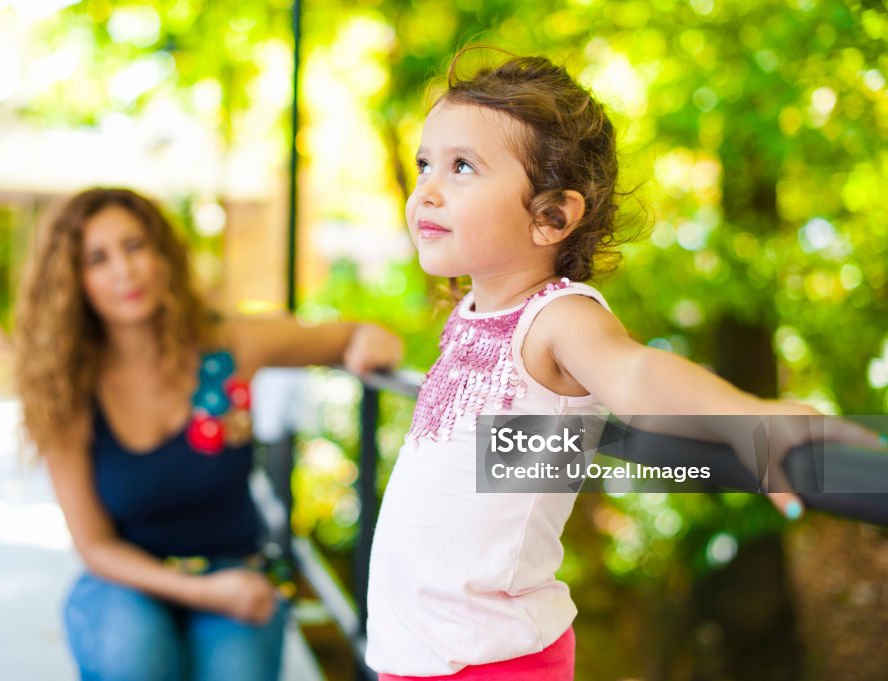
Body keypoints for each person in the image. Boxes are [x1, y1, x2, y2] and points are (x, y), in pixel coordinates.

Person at [364, 51, 885, 681]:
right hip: (421, 654)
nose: (428, 187)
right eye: (426, 164)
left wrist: (753, 419)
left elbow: (636, 375)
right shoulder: (474, 307)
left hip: (489, 663)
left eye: (463, 167)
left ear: (551, 216)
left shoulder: (557, 318)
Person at [13, 187, 402, 681]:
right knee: (134, 659)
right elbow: (94, 545)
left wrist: (369, 341)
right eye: (97, 258)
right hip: (126, 581)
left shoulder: (230, 343)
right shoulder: (64, 389)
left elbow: (358, 334)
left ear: (162, 254)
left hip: (235, 567)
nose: (125, 271)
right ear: (73, 281)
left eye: (135, 247)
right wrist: (202, 592)